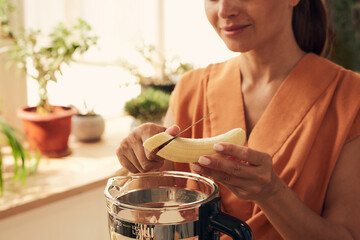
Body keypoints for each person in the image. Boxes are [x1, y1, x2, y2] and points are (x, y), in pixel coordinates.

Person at [117, 0, 360, 239]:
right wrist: (142, 169)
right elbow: (152, 224)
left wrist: (271, 193)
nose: (224, 10)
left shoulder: (350, 99)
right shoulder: (190, 90)